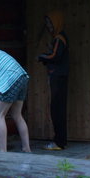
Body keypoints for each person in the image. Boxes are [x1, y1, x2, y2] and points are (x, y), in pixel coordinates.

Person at [37, 11, 69, 151]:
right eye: (47, 24)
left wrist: (42, 57)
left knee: (57, 109)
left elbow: (55, 56)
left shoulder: (59, 38)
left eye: (50, 23)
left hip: (58, 77)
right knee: (58, 108)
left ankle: (59, 142)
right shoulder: (58, 38)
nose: (48, 26)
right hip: (59, 76)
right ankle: (60, 141)